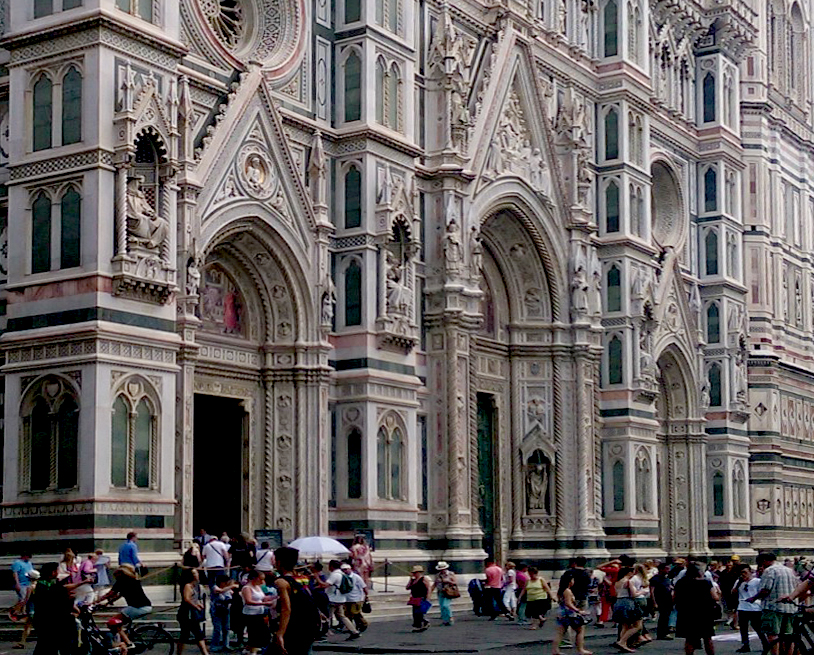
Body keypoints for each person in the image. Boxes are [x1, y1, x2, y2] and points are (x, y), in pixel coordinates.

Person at [274, 546, 321, 655]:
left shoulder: (281, 582)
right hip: (309, 624)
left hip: (294, 626)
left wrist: (280, 633)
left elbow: (286, 609)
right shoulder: (302, 578)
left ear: (279, 562)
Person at [749, 552, 798, 655]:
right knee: (788, 635)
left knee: (772, 634)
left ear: (764, 561)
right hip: (790, 607)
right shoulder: (789, 570)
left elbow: (765, 590)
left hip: (773, 606)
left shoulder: (769, 570)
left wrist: (753, 598)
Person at [98, 564, 153, 649]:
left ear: (119, 574)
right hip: (145, 606)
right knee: (119, 623)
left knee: (113, 623)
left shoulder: (121, 581)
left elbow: (110, 594)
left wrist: (95, 601)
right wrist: (108, 603)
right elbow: (120, 595)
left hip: (136, 607)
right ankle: (124, 640)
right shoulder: (132, 580)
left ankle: (128, 644)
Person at [675, 563, 719, 655]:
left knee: (689, 639)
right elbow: (715, 597)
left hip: (687, 613)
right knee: (707, 638)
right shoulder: (705, 582)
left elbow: (674, 597)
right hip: (704, 613)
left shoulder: (681, 582)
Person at [32, 563, 75, 655]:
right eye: (57, 570)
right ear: (52, 572)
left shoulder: (46, 584)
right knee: (49, 645)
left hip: (46, 620)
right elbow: (55, 601)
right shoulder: (45, 586)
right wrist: (68, 599)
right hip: (50, 621)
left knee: (46, 645)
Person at [552, 574, 591, 655]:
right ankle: (581, 649)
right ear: (569, 581)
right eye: (572, 580)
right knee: (580, 630)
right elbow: (568, 603)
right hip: (569, 614)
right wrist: (578, 611)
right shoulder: (567, 591)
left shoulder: (561, 591)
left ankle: (555, 650)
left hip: (561, 613)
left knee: (560, 632)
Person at [735, 564, 768, 653]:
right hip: (742, 607)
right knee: (743, 628)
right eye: (741, 573)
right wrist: (739, 583)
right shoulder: (739, 582)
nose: (743, 575)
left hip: (755, 607)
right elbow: (733, 592)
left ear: (750, 572)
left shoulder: (757, 581)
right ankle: (745, 645)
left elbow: (761, 592)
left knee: (758, 627)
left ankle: (765, 643)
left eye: (745, 572)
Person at [241, 569, 276, 655]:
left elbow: (262, 597)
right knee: (254, 634)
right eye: (260, 579)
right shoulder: (247, 588)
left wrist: (273, 597)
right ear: (254, 578)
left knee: (264, 633)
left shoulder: (258, 587)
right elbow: (248, 601)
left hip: (260, 612)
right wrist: (264, 603)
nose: (262, 581)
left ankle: (251, 648)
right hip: (251, 614)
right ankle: (253, 649)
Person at [177, 568, 210, 655]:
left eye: (197, 573)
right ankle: (205, 653)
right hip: (187, 613)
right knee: (191, 634)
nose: (197, 575)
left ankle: (204, 653)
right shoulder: (188, 586)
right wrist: (196, 606)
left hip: (192, 614)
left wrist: (199, 604)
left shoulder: (195, 586)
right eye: (194, 573)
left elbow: (194, 598)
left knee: (191, 634)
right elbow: (187, 599)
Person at [612, 567, 644, 653]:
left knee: (625, 625)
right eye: (633, 572)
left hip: (619, 602)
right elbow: (634, 594)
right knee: (637, 625)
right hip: (628, 602)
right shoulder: (628, 581)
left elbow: (616, 594)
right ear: (629, 572)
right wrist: (642, 592)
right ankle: (622, 642)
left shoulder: (617, 582)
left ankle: (623, 643)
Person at [326, 559, 360, 638]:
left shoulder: (335, 574)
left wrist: (316, 577)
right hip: (341, 598)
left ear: (331, 566)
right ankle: (354, 631)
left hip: (333, 598)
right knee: (342, 615)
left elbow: (325, 585)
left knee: (328, 616)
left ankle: (326, 631)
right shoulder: (342, 574)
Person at [211, 573, 238, 652]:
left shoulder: (228, 590)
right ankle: (214, 645)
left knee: (226, 629)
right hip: (216, 611)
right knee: (217, 629)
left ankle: (226, 645)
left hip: (226, 610)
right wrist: (230, 587)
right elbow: (219, 591)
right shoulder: (215, 587)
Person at [13, 569, 39, 650]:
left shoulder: (30, 587)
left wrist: (18, 608)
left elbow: (26, 600)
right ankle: (22, 642)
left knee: (28, 627)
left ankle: (22, 642)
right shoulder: (40, 585)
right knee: (28, 626)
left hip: (31, 609)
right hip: (38, 609)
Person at [650, 561, 674, 640]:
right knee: (663, 617)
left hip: (668, 599)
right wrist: (654, 602)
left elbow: (670, 587)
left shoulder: (666, 578)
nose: (668, 570)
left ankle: (665, 632)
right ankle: (661, 633)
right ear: (661, 569)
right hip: (660, 599)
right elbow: (652, 591)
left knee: (666, 616)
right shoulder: (655, 579)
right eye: (666, 569)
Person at [343, 562, 369, 633]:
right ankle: (350, 627)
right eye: (343, 570)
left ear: (350, 569)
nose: (345, 571)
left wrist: (366, 596)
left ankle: (363, 623)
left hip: (356, 598)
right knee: (347, 614)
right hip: (347, 598)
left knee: (355, 612)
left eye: (346, 569)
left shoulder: (356, 577)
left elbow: (363, 586)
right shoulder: (343, 577)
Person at [432, 561, 458, 626]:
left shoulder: (450, 574)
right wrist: (430, 591)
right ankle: (445, 620)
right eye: (440, 569)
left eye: (443, 569)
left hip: (448, 592)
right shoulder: (437, 575)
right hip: (440, 592)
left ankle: (450, 617)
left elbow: (455, 582)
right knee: (442, 607)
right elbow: (435, 584)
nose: (442, 570)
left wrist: (448, 581)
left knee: (445, 605)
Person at [407, 565, 431, 632]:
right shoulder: (413, 580)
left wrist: (428, 598)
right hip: (414, 598)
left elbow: (428, 588)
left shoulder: (423, 579)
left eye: (415, 573)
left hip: (421, 597)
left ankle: (423, 623)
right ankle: (418, 625)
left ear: (419, 572)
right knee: (415, 613)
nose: (414, 574)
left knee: (419, 612)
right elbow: (407, 587)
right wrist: (410, 579)